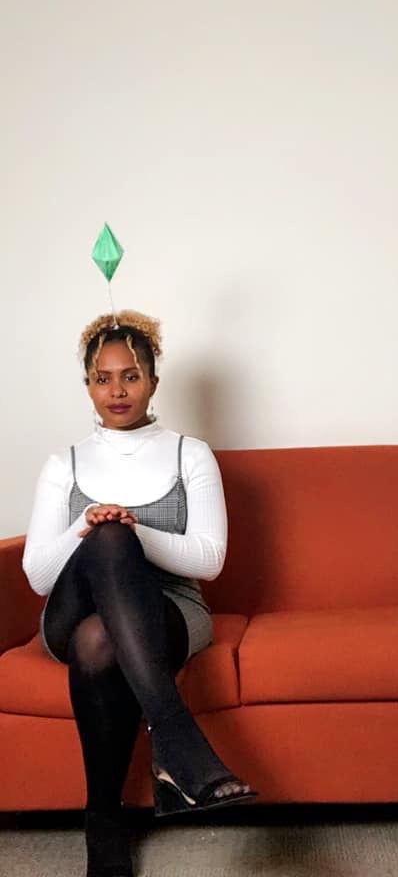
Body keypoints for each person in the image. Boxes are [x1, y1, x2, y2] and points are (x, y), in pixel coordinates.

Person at [23, 310, 256, 877]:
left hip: (170, 608)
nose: (117, 389)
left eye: (130, 375)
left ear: (152, 380)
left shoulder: (189, 454)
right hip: (73, 606)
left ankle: (103, 823)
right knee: (103, 539)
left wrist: (136, 529)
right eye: (103, 378)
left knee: (99, 639)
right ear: (87, 387)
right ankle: (178, 747)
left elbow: (209, 559)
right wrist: (90, 531)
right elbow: (37, 575)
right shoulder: (65, 464)